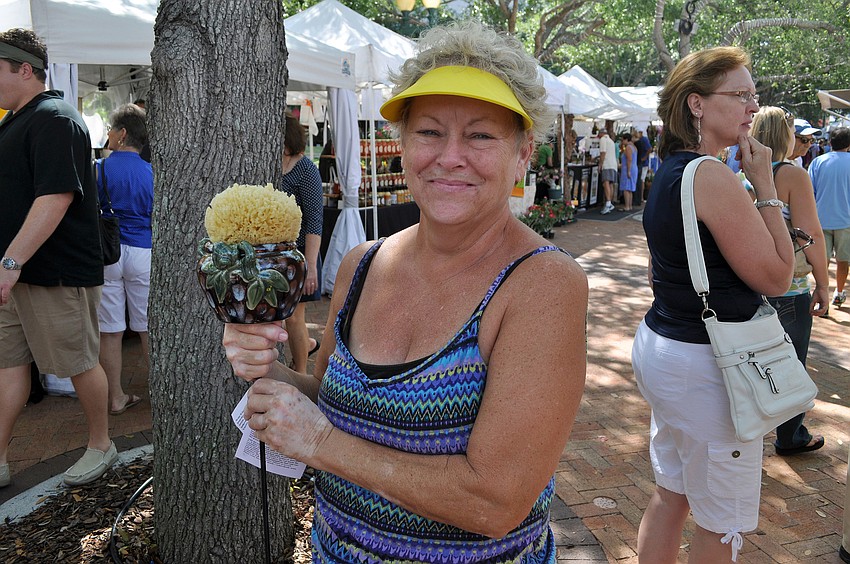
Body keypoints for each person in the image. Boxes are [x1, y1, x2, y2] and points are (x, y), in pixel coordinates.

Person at [222, 21, 588, 562]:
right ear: (402, 143)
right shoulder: (362, 263)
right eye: (430, 131)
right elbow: (331, 401)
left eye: (481, 135)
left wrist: (322, 446)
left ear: (524, 151)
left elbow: (496, 501)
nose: (450, 156)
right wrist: (263, 367)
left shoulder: (542, 283)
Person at [633, 46, 794, 563]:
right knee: (722, 522)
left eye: (754, 94)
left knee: (673, 493)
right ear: (697, 104)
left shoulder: (672, 170)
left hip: (666, 346)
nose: (752, 105)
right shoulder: (712, 176)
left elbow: (660, 267)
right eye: (740, 94)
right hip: (710, 365)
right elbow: (777, 275)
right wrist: (766, 185)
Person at [0, 28, 117, 488]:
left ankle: (101, 443)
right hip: (18, 273)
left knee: (79, 361)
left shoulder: (55, 118)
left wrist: (10, 263)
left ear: (24, 69)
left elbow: (56, 197)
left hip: (53, 272)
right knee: (9, 366)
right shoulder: (16, 120)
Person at [750, 106, 828, 455]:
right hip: (788, 285)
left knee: (750, 362)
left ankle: (750, 433)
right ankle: (791, 435)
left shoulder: (736, 174)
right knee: (790, 363)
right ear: (785, 136)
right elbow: (812, 233)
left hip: (749, 285)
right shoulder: (793, 176)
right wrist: (824, 284)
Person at [96, 103, 153, 415]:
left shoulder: (99, 168)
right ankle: (160, 392)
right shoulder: (151, 172)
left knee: (111, 329)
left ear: (121, 133)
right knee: (146, 327)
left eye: (110, 130)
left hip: (108, 252)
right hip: (144, 250)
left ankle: (115, 396)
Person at [279, 112, 323, 373]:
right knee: (286, 317)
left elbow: (315, 221)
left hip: (301, 255)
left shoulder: (306, 170)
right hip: (278, 254)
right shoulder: (274, 163)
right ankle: (305, 344)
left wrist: (311, 266)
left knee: (295, 317)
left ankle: (302, 374)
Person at [808, 126, 850, 308]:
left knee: (821, 261)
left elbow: (810, 192)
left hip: (820, 220)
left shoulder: (818, 162)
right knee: (843, 260)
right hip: (846, 221)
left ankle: (820, 293)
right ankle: (839, 293)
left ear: (831, 142)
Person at [597, 128, 617, 214]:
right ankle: (610, 203)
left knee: (606, 183)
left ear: (601, 134)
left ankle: (608, 203)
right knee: (610, 184)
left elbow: (603, 153)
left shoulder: (603, 139)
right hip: (613, 165)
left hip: (607, 164)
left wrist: (600, 164)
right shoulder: (611, 141)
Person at [618, 132, 638, 211]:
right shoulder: (634, 147)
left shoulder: (628, 148)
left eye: (623, 140)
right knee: (630, 188)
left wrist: (628, 171)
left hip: (628, 168)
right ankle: (629, 205)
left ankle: (627, 206)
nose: (622, 142)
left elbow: (629, 159)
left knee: (626, 188)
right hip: (633, 168)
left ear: (626, 139)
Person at [634, 129, 652, 202]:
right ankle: (640, 197)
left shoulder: (644, 140)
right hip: (642, 163)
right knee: (641, 180)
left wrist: (644, 158)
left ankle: (641, 197)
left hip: (643, 163)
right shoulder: (641, 140)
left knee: (642, 180)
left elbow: (649, 148)